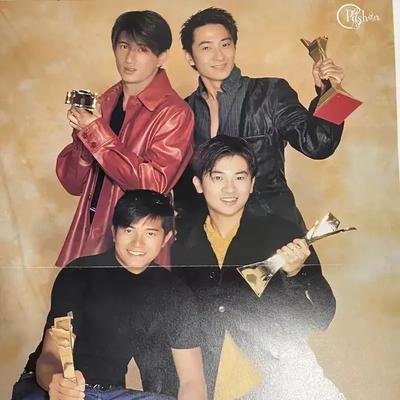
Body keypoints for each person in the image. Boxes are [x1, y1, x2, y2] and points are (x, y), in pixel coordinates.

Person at [172, 136, 345, 399]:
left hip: (281, 379)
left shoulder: (282, 232)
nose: (230, 188)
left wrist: (295, 274)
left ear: (252, 183)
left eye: (240, 178)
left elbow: (322, 316)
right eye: (218, 178)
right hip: (210, 383)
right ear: (198, 184)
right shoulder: (182, 243)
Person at [12, 190, 206, 400]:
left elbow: (192, 381)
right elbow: (51, 354)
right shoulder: (80, 272)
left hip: (111, 394)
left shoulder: (176, 294)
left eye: (150, 233)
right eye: (129, 230)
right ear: (114, 232)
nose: (137, 244)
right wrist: (56, 382)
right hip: (48, 386)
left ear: (166, 238)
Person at [174, 7, 344, 231]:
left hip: (273, 231)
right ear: (190, 56)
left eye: (225, 44)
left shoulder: (270, 93)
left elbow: (319, 144)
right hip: (212, 236)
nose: (219, 56)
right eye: (206, 48)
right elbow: (183, 185)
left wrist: (332, 92)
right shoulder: (183, 111)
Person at [56, 10, 194, 266]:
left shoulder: (175, 112)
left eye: (142, 49)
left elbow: (153, 185)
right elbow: (72, 183)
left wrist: (94, 131)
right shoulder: (106, 100)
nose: (130, 58)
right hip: (88, 232)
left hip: (135, 244)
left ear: (161, 57)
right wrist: (82, 135)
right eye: (123, 46)